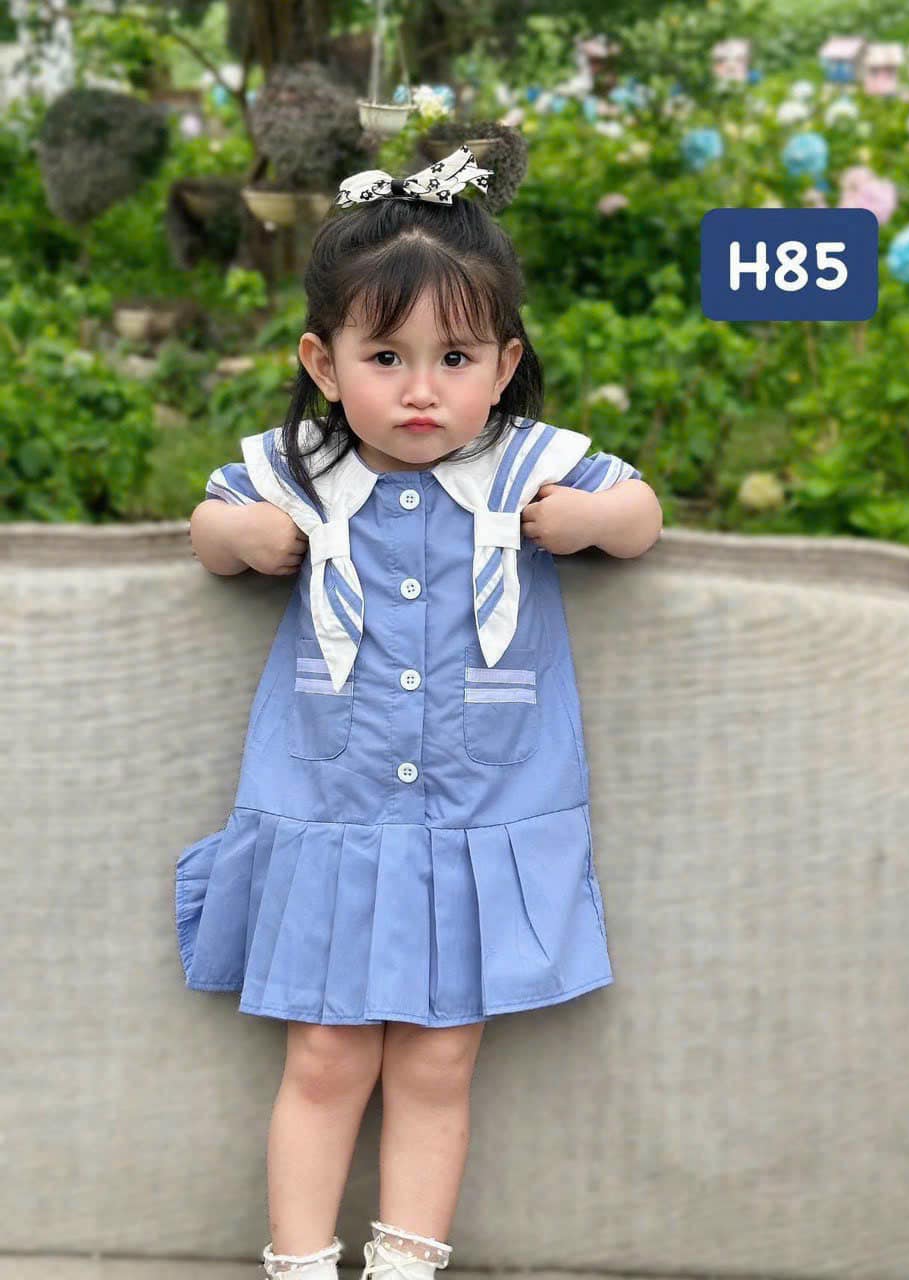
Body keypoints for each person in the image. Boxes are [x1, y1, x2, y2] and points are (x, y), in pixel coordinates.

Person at [180, 146, 662, 1280]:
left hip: (476, 810)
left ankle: (406, 1265)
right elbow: (208, 526)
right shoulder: (302, 469)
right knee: (325, 1050)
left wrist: (595, 523)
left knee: (440, 1060)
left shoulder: (529, 466)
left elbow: (640, 513)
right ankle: (301, 1262)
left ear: (503, 364)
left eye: (455, 358)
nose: (419, 391)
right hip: (332, 805)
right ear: (323, 361)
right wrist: (241, 536)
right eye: (384, 356)